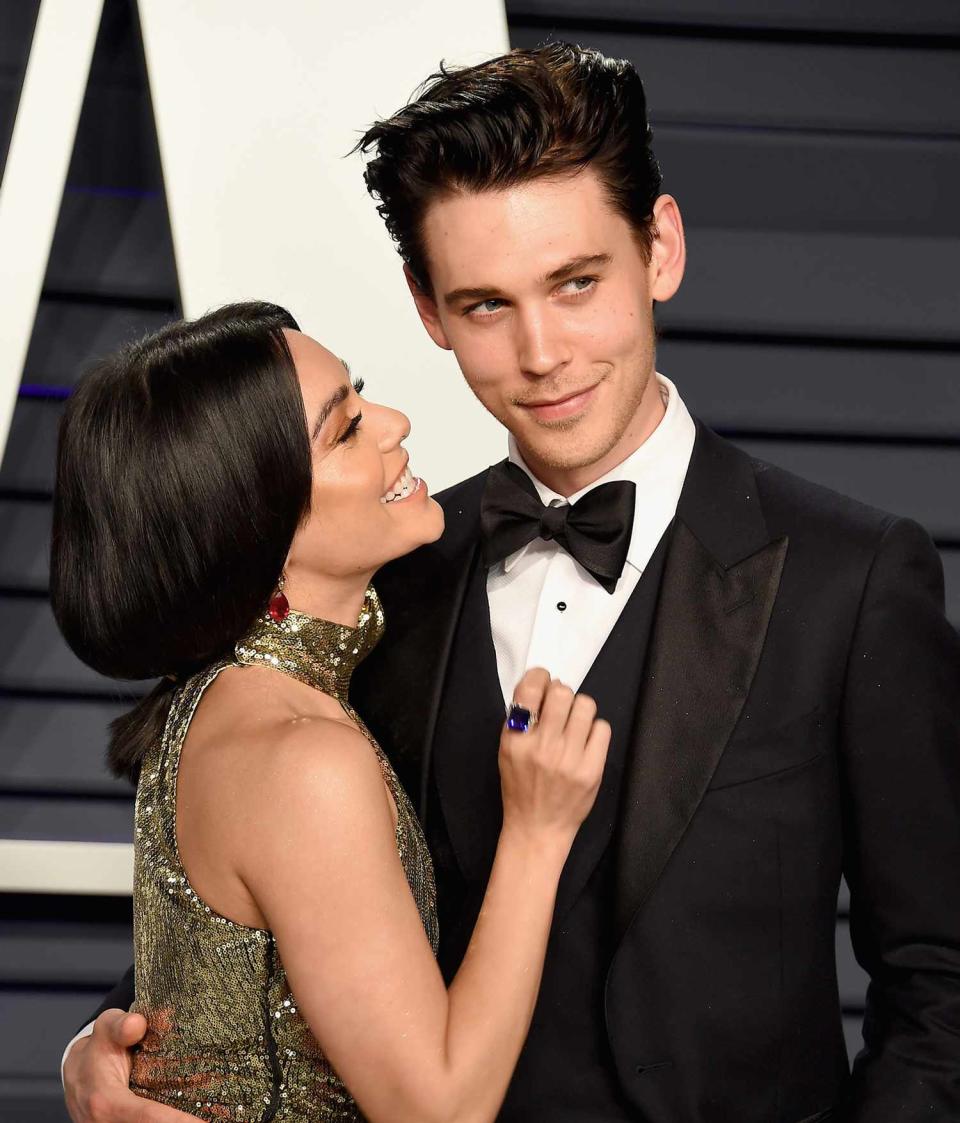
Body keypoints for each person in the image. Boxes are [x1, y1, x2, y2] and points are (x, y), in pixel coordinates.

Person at [65, 43, 960, 1123]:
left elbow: (942, 986)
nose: (542, 352)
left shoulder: (851, 579)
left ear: (660, 248)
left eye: (577, 283)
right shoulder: (385, 583)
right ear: (428, 308)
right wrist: (106, 1045)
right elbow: (268, 888)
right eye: (486, 305)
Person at [52, 301, 611, 1122]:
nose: (394, 423)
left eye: (361, 396)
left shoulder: (222, 703)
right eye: (345, 430)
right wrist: (536, 829)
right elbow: (440, 1110)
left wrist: (83, 1053)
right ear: (258, 520)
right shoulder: (300, 756)